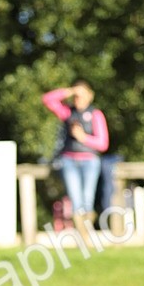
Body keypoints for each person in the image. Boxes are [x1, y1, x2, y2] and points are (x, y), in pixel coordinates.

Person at [42, 82, 109, 219]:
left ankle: (87, 230)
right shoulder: (67, 113)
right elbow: (47, 99)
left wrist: (84, 138)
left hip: (90, 161)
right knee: (75, 200)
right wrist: (70, 91)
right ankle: (81, 232)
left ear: (90, 96)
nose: (79, 99)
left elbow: (103, 144)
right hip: (69, 160)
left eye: (82, 95)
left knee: (87, 200)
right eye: (77, 96)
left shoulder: (96, 115)